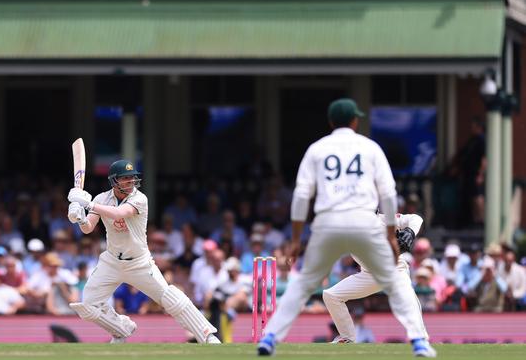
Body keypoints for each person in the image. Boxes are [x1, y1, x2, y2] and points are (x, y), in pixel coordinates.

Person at [256, 98, 436, 357]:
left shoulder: (317, 148)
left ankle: (270, 337)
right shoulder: (369, 147)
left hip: (329, 222)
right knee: (396, 286)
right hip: (364, 222)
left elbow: (301, 194)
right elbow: (387, 192)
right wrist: (389, 235)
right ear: (355, 121)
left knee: (304, 282)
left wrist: (296, 238)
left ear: (330, 122)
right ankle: (418, 342)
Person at [67, 159, 220, 344]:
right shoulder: (101, 199)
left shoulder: (139, 199)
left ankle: (207, 335)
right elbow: (88, 228)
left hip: (139, 262)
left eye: (132, 178)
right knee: (88, 305)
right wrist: (80, 218)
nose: (131, 182)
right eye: (125, 178)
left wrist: (88, 204)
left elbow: (118, 213)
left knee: (170, 298)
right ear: (114, 181)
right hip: (112, 261)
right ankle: (121, 329)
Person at [322, 213, 430, 344]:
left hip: (394, 270)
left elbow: (416, 218)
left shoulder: (383, 219)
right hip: (369, 275)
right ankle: (347, 337)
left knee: (408, 298)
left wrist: (410, 231)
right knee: (331, 295)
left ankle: (422, 338)